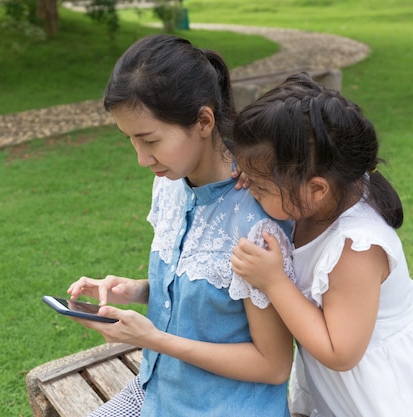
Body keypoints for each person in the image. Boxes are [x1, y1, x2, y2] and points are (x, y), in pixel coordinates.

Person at [66, 34, 296, 417]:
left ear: (204, 121)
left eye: (149, 140)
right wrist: (135, 290)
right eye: (130, 141)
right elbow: (207, 296)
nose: (141, 159)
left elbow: (273, 366)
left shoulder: (256, 220)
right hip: (157, 392)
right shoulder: (171, 184)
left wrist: (155, 339)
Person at [230, 72, 413, 417]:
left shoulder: (356, 250)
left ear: (316, 188)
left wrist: (274, 282)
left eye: (261, 187)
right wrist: (258, 170)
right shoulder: (325, 189)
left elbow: (340, 352)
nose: (251, 191)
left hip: (386, 394)